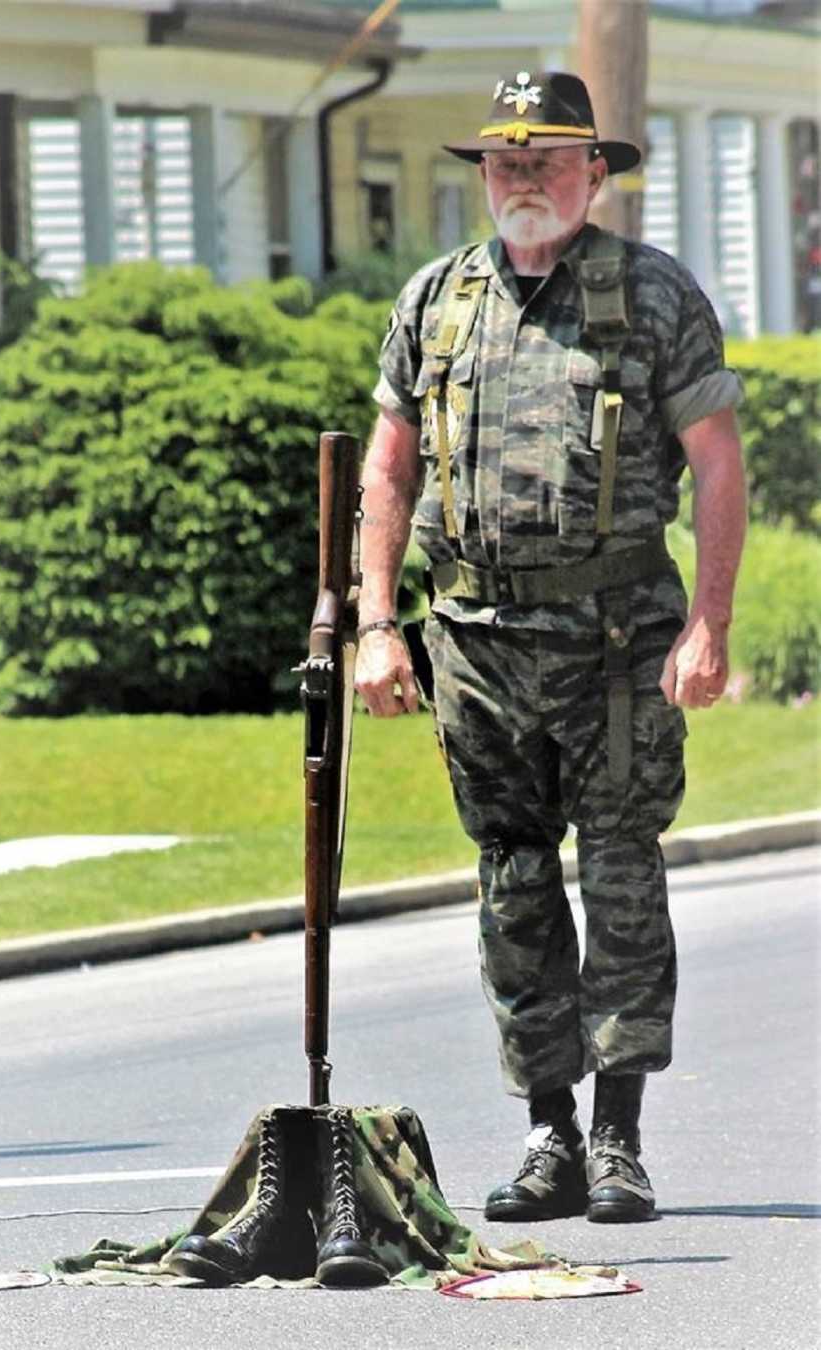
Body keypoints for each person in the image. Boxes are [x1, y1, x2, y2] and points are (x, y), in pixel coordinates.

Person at [355, 71, 746, 1225]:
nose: (524, 178)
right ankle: (548, 1134)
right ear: (484, 173)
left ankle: (619, 1138)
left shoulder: (654, 297)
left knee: (620, 867)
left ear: (595, 173)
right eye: (505, 161)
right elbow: (390, 465)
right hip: (474, 638)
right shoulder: (436, 302)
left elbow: (719, 462)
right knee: (513, 879)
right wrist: (380, 620)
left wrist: (711, 624)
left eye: (548, 159)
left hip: (618, 641)